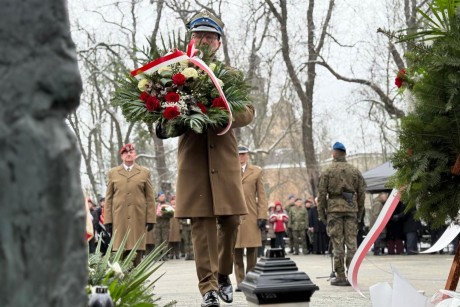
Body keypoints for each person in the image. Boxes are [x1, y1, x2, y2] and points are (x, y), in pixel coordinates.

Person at [167, 10, 255, 307]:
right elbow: (160, 113)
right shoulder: (175, 72)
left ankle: (223, 274)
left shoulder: (229, 75)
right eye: (198, 35)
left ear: (218, 42)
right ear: (190, 38)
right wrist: (170, 116)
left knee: (231, 220)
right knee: (201, 224)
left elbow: (247, 112)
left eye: (209, 36)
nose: (203, 40)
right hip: (193, 160)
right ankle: (207, 288)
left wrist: (218, 110)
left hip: (225, 158)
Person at [317, 142, 366, 286]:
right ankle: (352, 274)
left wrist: (322, 214)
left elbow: (321, 195)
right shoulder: (354, 171)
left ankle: (340, 276)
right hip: (351, 209)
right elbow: (362, 193)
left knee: (337, 244)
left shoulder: (327, 171)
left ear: (333, 153)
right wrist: (360, 212)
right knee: (352, 244)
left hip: (334, 210)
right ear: (345, 153)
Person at [104, 143, 156, 267]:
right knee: (119, 252)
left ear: (135, 155)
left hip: (137, 217)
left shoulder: (144, 172)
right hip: (119, 218)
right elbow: (108, 198)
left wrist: (151, 218)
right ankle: (121, 282)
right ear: (121, 156)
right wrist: (108, 220)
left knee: (136, 251)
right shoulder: (113, 173)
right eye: (125, 153)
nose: (128, 154)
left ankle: (137, 283)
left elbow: (150, 197)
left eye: (131, 152)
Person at [233, 145, 268, 291]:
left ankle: (251, 280)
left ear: (247, 155)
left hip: (252, 215)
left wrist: (262, 216)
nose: (241, 157)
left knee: (252, 251)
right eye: (239, 154)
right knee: (236, 251)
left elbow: (262, 195)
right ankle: (240, 282)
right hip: (234, 215)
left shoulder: (256, 171)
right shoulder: (229, 170)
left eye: (243, 154)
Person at [152, 192, 173, 260]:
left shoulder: (168, 205)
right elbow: (151, 213)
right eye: (161, 196)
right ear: (158, 197)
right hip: (157, 225)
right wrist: (157, 214)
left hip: (165, 225)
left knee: (165, 240)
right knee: (157, 240)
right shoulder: (155, 205)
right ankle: (157, 255)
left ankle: (164, 255)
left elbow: (171, 215)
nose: (162, 197)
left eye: (163, 196)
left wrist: (164, 213)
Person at [370, 191, 388, 255]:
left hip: (376, 224)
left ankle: (377, 250)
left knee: (378, 238)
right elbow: (376, 215)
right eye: (386, 197)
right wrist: (379, 225)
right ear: (381, 196)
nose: (386, 198)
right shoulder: (378, 204)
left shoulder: (378, 203)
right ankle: (376, 251)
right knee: (378, 238)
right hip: (377, 225)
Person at [168, 195, 181, 260]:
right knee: (170, 241)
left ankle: (177, 253)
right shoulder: (168, 208)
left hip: (177, 225)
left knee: (177, 241)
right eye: (172, 200)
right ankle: (171, 253)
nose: (174, 201)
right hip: (170, 225)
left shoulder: (178, 207)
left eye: (175, 200)